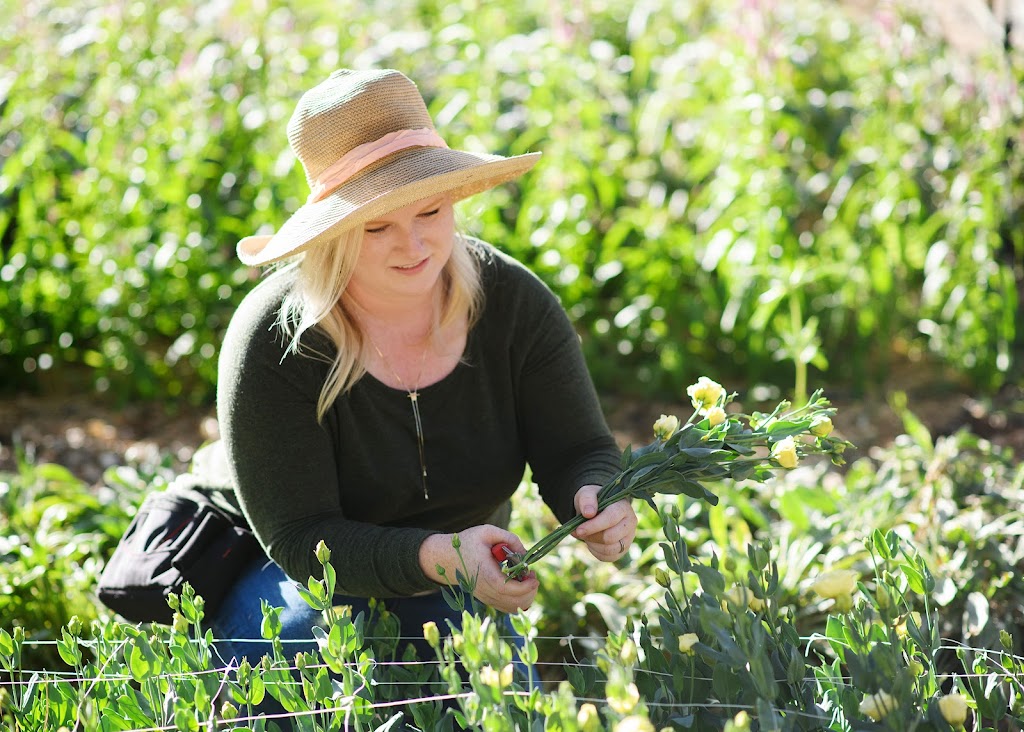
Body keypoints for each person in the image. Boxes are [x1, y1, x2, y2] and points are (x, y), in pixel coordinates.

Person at [208, 68, 638, 667]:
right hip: (312, 590)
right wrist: (436, 555)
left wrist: (596, 496)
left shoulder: (511, 303)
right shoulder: (277, 340)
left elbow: (577, 447)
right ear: (331, 234)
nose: (413, 247)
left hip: (464, 585)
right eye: (377, 226)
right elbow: (303, 538)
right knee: (332, 679)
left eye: (430, 212)